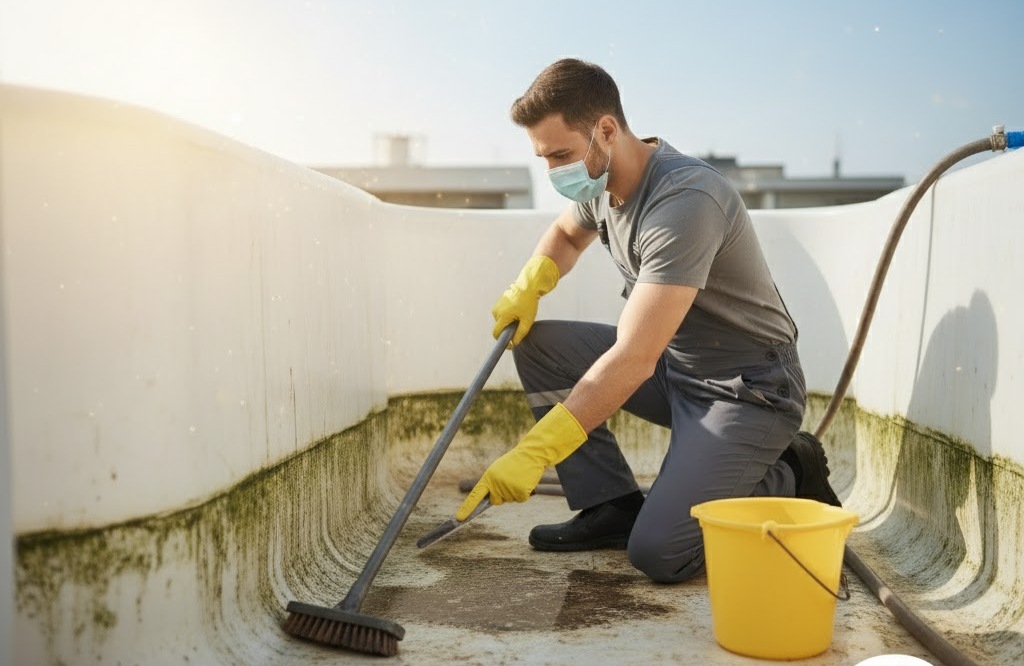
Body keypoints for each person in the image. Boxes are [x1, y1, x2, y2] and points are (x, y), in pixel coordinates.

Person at [457, 58, 840, 583]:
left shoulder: (685, 200)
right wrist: (530, 284)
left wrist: (536, 451)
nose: (554, 173)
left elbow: (633, 357)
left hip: (745, 389)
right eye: (544, 158)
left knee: (661, 552)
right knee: (541, 347)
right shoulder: (603, 182)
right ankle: (610, 504)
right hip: (675, 367)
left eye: (561, 155)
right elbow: (566, 235)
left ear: (605, 130)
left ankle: (791, 469)